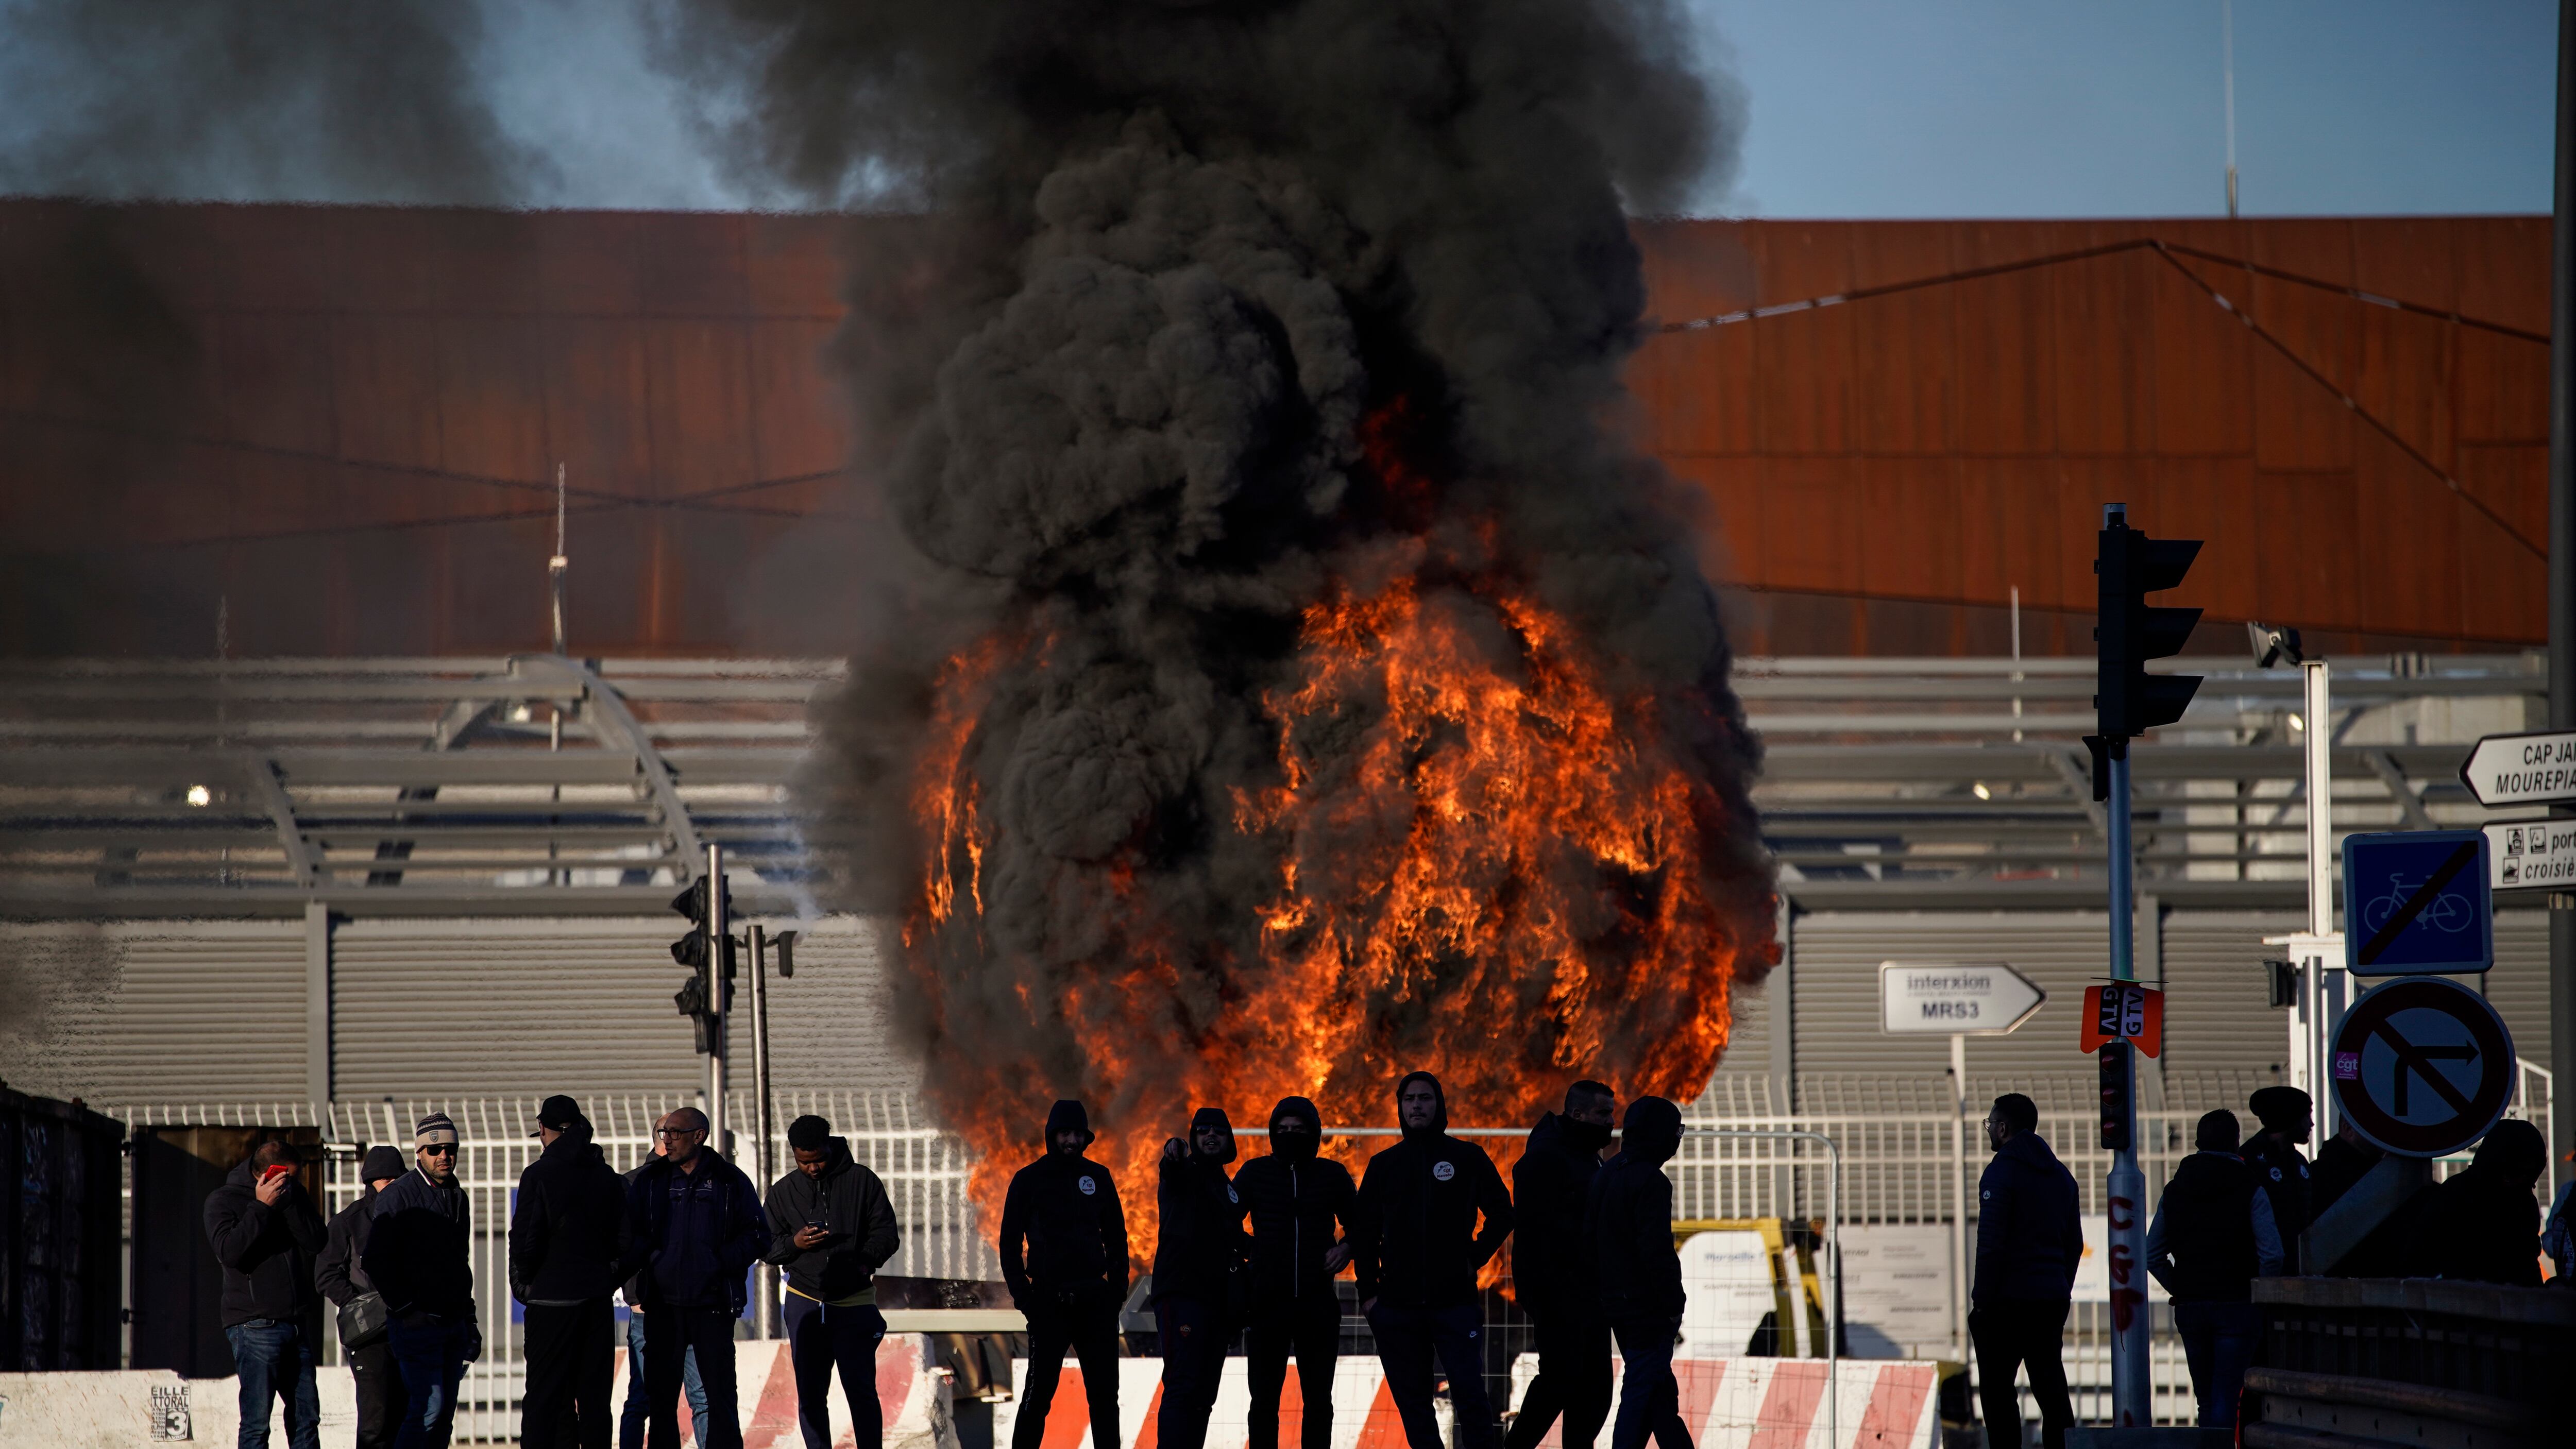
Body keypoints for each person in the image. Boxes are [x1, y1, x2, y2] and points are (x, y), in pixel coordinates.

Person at [1353, 1071, 1515, 1449]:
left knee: (1471, 1397)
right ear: (1400, 1107)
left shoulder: (1467, 1157)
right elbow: (1363, 1232)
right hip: (1396, 1307)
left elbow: (1503, 1213)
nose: (1416, 1106)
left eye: (1425, 1098)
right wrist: (1368, 1294)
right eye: (1409, 1099)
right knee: (1414, 1406)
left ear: (1439, 1105)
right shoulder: (1383, 1165)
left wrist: (1472, 1258)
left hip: (1455, 1304)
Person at [627, 1107, 768, 1449]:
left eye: (675, 1133)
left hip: (712, 1306)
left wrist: (718, 1261)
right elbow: (627, 1233)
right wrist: (654, 1259)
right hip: (662, 1308)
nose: (667, 1140)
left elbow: (757, 1234)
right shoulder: (650, 1181)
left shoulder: (729, 1180)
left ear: (699, 1135)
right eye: (665, 1133)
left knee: (717, 1399)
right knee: (660, 1404)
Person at [763, 1113, 903, 1449]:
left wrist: (862, 1261)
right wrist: (794, 1244)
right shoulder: (782, 1191)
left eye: (819, 1159)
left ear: (830, 1145)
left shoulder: (863, 1181)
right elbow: (765, 1244)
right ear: (794, 1154)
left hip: (854, 1304)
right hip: (804, 1303)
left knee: (862, 1392)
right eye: (804, 1162)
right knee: (811, 1395)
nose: (813, 1168)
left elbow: (886, 1233)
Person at [997, 1100, 1128, 1449]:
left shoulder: (1098, 1176)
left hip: (1095, 1305)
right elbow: (1009, 1243)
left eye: (1078, 1133)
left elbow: (1116, 1236)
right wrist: (1025, 1298)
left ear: (1087, 1137)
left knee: (1104, 1399)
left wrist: (1115, 1292)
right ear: (1052, 1135)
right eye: (1065, 1133)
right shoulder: (1029, 1179)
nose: (1071, 1140)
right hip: (1048, 1304)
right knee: (1037, 1397)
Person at [2144, 1111, 2282, 1433]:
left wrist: (2181, 1286)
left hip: (2191, 1307)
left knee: (2206, 1400)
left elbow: (2152, 1254)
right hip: (2237, 1305)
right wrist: (2258, 1295)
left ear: (2197, 1143)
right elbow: (2272, 1255)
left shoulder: (2175, 1189)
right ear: (2236, 1143)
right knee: (2227, 1397)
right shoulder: (2250, 1187)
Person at [1234, 1096, 1356, 1449]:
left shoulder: (1331, 1174)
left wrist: (1346, 1248)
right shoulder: (1255, 1172)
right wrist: (1251, 1251)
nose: (1290, 1135)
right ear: (1273, 1133)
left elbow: (1361, 1224)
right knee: (1263, 1402)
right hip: (1266, 1305)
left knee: (1319, 1401)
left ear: (1314, 1133)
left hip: (1318, 1306)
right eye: (1283, 1129)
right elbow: (1225, 1223)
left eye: (1299, 1130)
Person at [512, 1096, 633, 1449]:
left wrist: (534, 1282)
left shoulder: (539, 1175)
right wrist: (601, 1276)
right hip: (595, 1300)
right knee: (594, 1400)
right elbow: (624, 1240)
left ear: (543, 1130)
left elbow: (524, 1243)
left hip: (551, 1301)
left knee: (545, 1400)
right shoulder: (605, 1176)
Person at [1507, 1081, 1618, 1449]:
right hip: (1559, 1292)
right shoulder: (1547, 1157)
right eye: (1603, 1113)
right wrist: (1542, 1292)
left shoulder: (1587, 1153)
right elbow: (1534, 1231)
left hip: (1591, 1291)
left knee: (1596, 1388)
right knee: (1560, 1379)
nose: (1610, 1121)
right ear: (1578, 1114)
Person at [1968, 1094, 2080, 1449]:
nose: (1989, 1130)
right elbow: (2074, 1244)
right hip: (2050, 1300)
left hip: (2005, 1303)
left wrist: (1982, 1302)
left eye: (1990, 1124)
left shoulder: (2000, 1171)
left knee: (1999, 1394)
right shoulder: (2062, 1175)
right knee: (2052, 1391)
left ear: (2003, 1128)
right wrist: (2061, 1288)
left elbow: (1991, 1245)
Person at [363, 1113, 482, 1449]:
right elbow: (375, 1260)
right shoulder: (398, 1196)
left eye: (450, 1148)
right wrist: (407, 1308)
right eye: (435, 1149)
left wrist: (468, 1318)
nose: (444, 1155)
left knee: (443, 1415)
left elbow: (461, 1262)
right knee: (427, 1410)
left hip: (452, 1322)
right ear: (419, 1153)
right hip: (416, 1324)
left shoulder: (457, 1194)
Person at [203, 1136, 329, 1449]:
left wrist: (288, 1204)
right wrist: (261, 1207)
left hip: (295, 1323)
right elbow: (230, 1252)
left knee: (306, 1416)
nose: (295, 1183)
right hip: (254, 1325)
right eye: (289, 1177)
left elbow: (318, 1241)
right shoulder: (222, 1201)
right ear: (267, 1175)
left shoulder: (293, 1195)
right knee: (258, 1423)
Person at [1586, 1097, 1692, 1449]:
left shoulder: (1606, 1172)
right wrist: (1674, 1302)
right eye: (1675, 1131)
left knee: (1660, 1395)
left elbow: (1591, 1239)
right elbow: (1656, 1251)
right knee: (1640, 1392)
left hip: (1615, 1302)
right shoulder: (1651, 1181)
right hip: (1647, 1308)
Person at [1152, 1107, 1249, 1449]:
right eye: (1203, 1130)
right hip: (1182, 1296)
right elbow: (1172, 1167)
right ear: (1194, 1138)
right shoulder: (1185, 1172)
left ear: (1229, 1140)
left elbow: (1232, 1239)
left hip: (1218, 1305)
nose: (1211, 1135)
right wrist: (1173, 1149)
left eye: (1219, 1131)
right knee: (1183, 1385)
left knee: (1204, 1393)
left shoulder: (1229, 1188)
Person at [317, 1146, 411, 1449]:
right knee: (376, 1421)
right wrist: (358, 1308)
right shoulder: (348, 1222)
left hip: (410, 1329)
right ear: (370, 1182)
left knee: (409, 1416)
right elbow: (326, 1275)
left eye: (397, 1179)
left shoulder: (412, 1219)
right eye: (385, 1179)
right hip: (370, 1339)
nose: (392, 1185)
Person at [617, 1146, 709, 1449]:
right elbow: (623, 1247)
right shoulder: (634, 1184)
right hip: (650, 1309)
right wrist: (635, 1295)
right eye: (669, 1132)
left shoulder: (703, 1180)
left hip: (690, 1306)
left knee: (693, 1397)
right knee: (647, 1399)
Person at [2419, 1119, 2548, 1286]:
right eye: (2513, 1171)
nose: (2518, 1180)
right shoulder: (2457, 1195)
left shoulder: (2523, 1201)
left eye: (2527, 1173)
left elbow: (2527, 1260)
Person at [2242, 1087, 2314, 1273]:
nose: (2312, 1124)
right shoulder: (2248, 1161)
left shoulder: (2300, 1163)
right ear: (2291, 1119)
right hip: (2258, 1279)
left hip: (2298, 1273)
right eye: (2307, 1116)